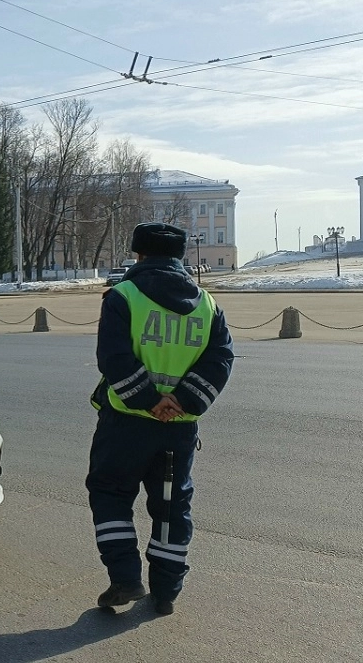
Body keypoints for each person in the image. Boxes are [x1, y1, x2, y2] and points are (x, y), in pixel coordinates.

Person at [86, 222, 234, 617]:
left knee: (111, 493)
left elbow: (114, 359)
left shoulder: (124, 296)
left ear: (139, 254)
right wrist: (182, 402)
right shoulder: (207, 304)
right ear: (180, 256)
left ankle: (125, 577)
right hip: (180, 427)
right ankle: (166, 590)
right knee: (171, 505)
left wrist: (150, 400)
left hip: (126, 423)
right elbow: (220, 360)